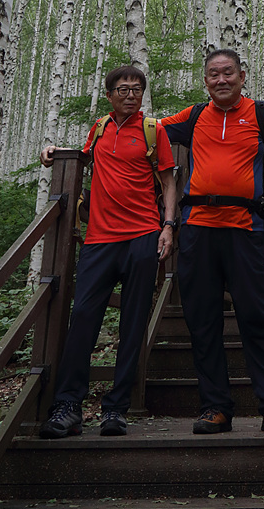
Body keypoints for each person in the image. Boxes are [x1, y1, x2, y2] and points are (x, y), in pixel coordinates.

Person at [161, 48, 264, 434]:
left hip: (245, 228)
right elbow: (145, 130)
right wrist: (91, 139)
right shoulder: (192, 117)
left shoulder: (261, 113)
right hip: (198, 228)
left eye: (228, 73)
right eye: (213, 74)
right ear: (205, 81)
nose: (221, 80)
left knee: (257, 316)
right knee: (202, 319)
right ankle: (215, 408)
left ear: (241, 76)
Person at [37, 64, 177, 438]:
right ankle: (68, 405)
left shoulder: (154, 130)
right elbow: (83, 157)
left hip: (143, 236)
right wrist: (53, 151)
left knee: (133, 322)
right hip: (99, 239)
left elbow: (168, 181)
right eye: (123, 89)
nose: (130, 95)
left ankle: (116, 409)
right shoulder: (99, 128)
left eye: (137, 89)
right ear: (110, 94)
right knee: (83, 317)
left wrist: (168, 226)